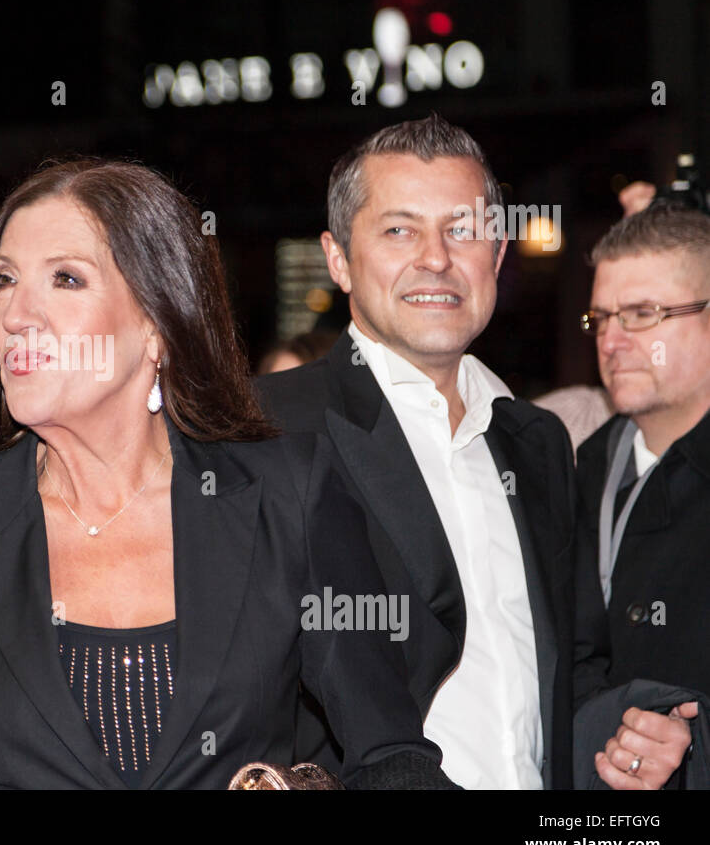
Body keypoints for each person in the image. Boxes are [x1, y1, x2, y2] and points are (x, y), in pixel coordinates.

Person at [0, 159, 453, 789]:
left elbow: (390, 755)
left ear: (155, 325)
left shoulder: (287, 495)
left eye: (65, 278)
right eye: (4, 281)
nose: (14, 314)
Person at [256, 114, 598, 789]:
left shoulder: (538, 443)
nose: (436, 258)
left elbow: (577, 667)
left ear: (497, 256)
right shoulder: (268, 426)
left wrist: (634, 726)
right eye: (399, 229)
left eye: (462, 230)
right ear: (337, 259)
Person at [574, 200, 709, 789]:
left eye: (642, 313)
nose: (612, 339)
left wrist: (695, 742)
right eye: (602, 317)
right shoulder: (578, 466)